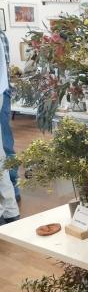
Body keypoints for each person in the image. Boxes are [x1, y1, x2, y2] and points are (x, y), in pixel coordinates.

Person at [0, 30, 19, 224]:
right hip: (2, 93)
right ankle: (11, 206)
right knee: (3, 149)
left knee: (4, 149)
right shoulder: (2, 35)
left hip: (2, 93)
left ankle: (9, 206)